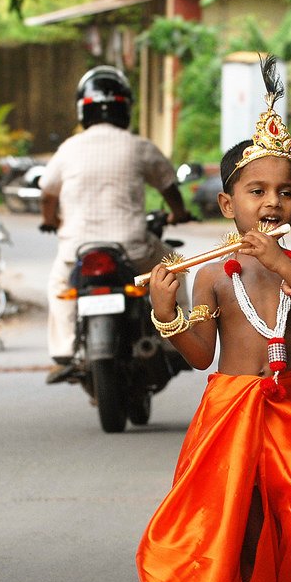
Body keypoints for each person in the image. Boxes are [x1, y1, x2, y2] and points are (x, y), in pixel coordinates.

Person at [135, 59, 291, 582]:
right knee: (250, 534)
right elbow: (202, 356)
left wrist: (282, 262)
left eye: (284, 191)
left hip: (290, 413)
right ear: (229, 203)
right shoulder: (212, 275)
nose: (271, 202)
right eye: (255, 192)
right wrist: (165, 309)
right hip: (230, 415)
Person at [39, 65, 191, 383]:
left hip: (77, 250)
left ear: (83, 109)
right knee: (174, 269)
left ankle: (64, 353)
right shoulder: (138, 146)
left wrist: (49, 220)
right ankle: (176, 344)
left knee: (58, 285)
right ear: (125, 108)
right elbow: (168, 186)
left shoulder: (69, 148)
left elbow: (47, 192)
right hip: (132, 247)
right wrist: (179, 211)